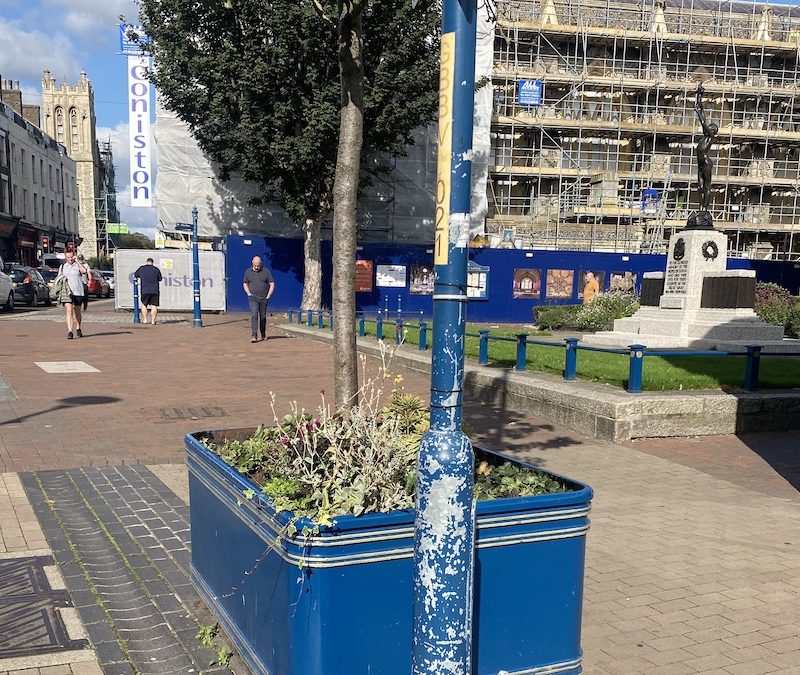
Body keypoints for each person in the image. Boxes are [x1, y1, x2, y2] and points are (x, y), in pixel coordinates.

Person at [58, 249, 89, 339]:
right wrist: (62, 279)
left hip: (78, 291)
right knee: (69, 311)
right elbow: (59, 277)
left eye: (71, 257)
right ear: (65, 257)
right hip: (67, 292)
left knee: (77, 312)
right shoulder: (63, 266)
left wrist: (77, 262)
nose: (70, 259)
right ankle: (70, 331)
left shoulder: (77, 265)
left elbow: (84, 271)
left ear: (74, 256)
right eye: (68, 257)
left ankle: (78, 327)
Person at [243, 256, 275, 343]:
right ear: (252, 263)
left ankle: (263, 333)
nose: (256, 268)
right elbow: (245, 283)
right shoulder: (248, 272)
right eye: (255, 266)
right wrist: (248, 293)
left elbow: (272, 283)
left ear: (260, 264)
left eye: (258, 266)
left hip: (263, 298)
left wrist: (269, 295)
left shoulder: (266, 272)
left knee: (263, 317)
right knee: (254, 316)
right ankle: (254, 335)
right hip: (253, 298)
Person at [134, 258, 163, 325]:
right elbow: (160, 279)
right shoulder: (156, 269)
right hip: (155, 290)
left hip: (145, 290)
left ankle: (145, 319)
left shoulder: (141, 268)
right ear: (152, 263)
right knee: (154, 305)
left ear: (147, 262)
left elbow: (135, 275)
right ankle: (153, 321)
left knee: (144, 304)